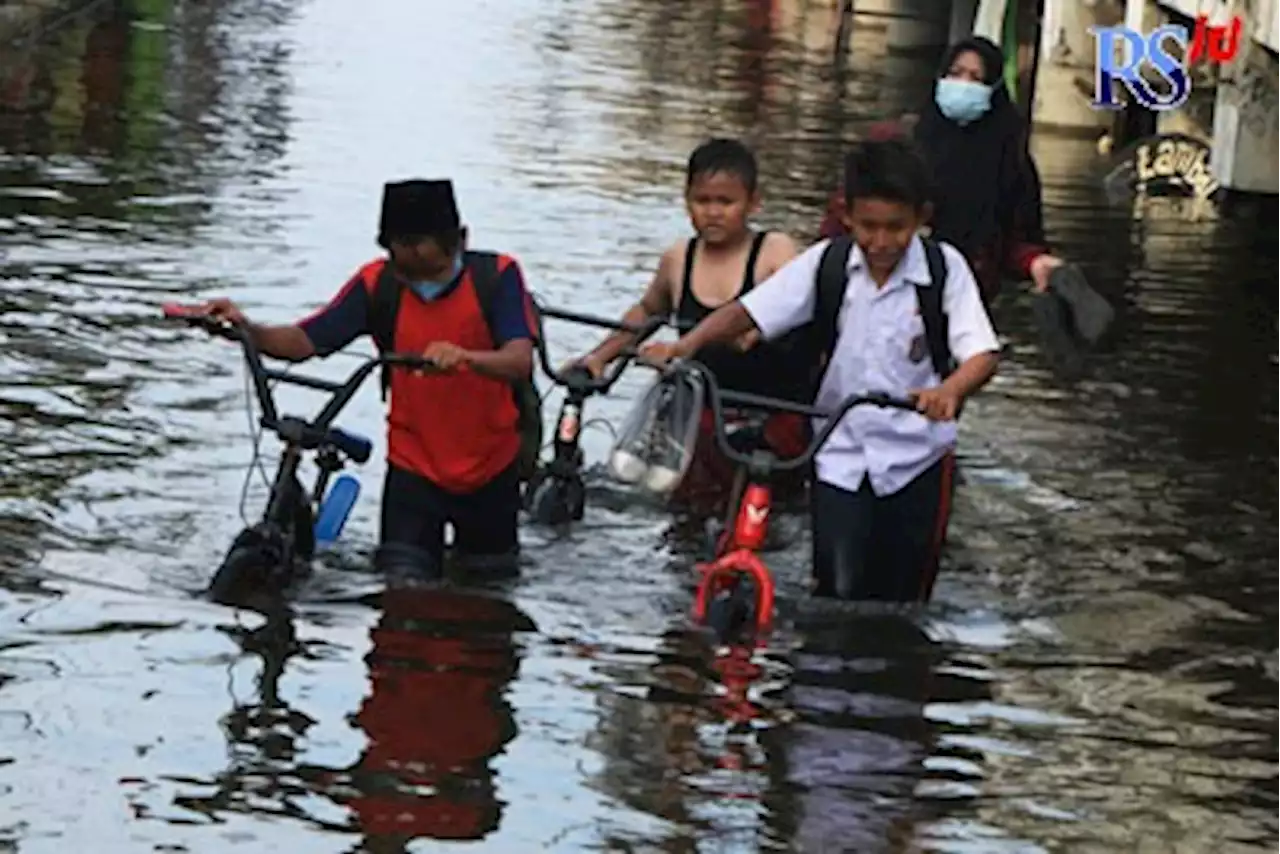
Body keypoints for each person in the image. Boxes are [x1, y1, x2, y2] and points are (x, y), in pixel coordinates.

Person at [642, 137, 1001, 602]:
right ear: (847, 216)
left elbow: (982, 353)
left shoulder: (944, 271)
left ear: (920, 218)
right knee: (835, 591)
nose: (881, 242)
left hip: (918, 458)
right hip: (840, 455)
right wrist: (687, 345)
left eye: (896, 228)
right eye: (868, 227)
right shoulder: (826, 264)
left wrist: (950, 390)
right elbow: (749, 311)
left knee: (905, 600)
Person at [193, 179, 537, 578]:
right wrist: (245, 329)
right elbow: (307, 340)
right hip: (414, 468)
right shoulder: (379, 285)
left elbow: (519, 359)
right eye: (405, 268)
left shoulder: (497, 277)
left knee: (487, 592)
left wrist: (467, 359)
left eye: (432, 268)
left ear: (460, 240)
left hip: (489, 469)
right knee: (399, 590)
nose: (419, 281)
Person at [817, 36, 1111, 354]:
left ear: (994, 89)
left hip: (956, 307)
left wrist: (1036, 263)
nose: (963, 85)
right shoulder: (896, 144)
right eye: (955, 73)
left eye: (976, 78)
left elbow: (1010, 238)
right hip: (875, 289)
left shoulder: (1008, 160)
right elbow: (842, 219)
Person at [574, 138, 813, 517]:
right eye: (703, 202)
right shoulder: (678, 258)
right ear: (687, 201)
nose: (713, 213)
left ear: (754, 203)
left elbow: (802, 310)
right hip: (702, 412)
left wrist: (755, 332)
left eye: (726, 203)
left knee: (764, 518)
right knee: (687, 518)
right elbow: (647, 313)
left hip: (771, 412)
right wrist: (598, 358)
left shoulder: (774, 252)